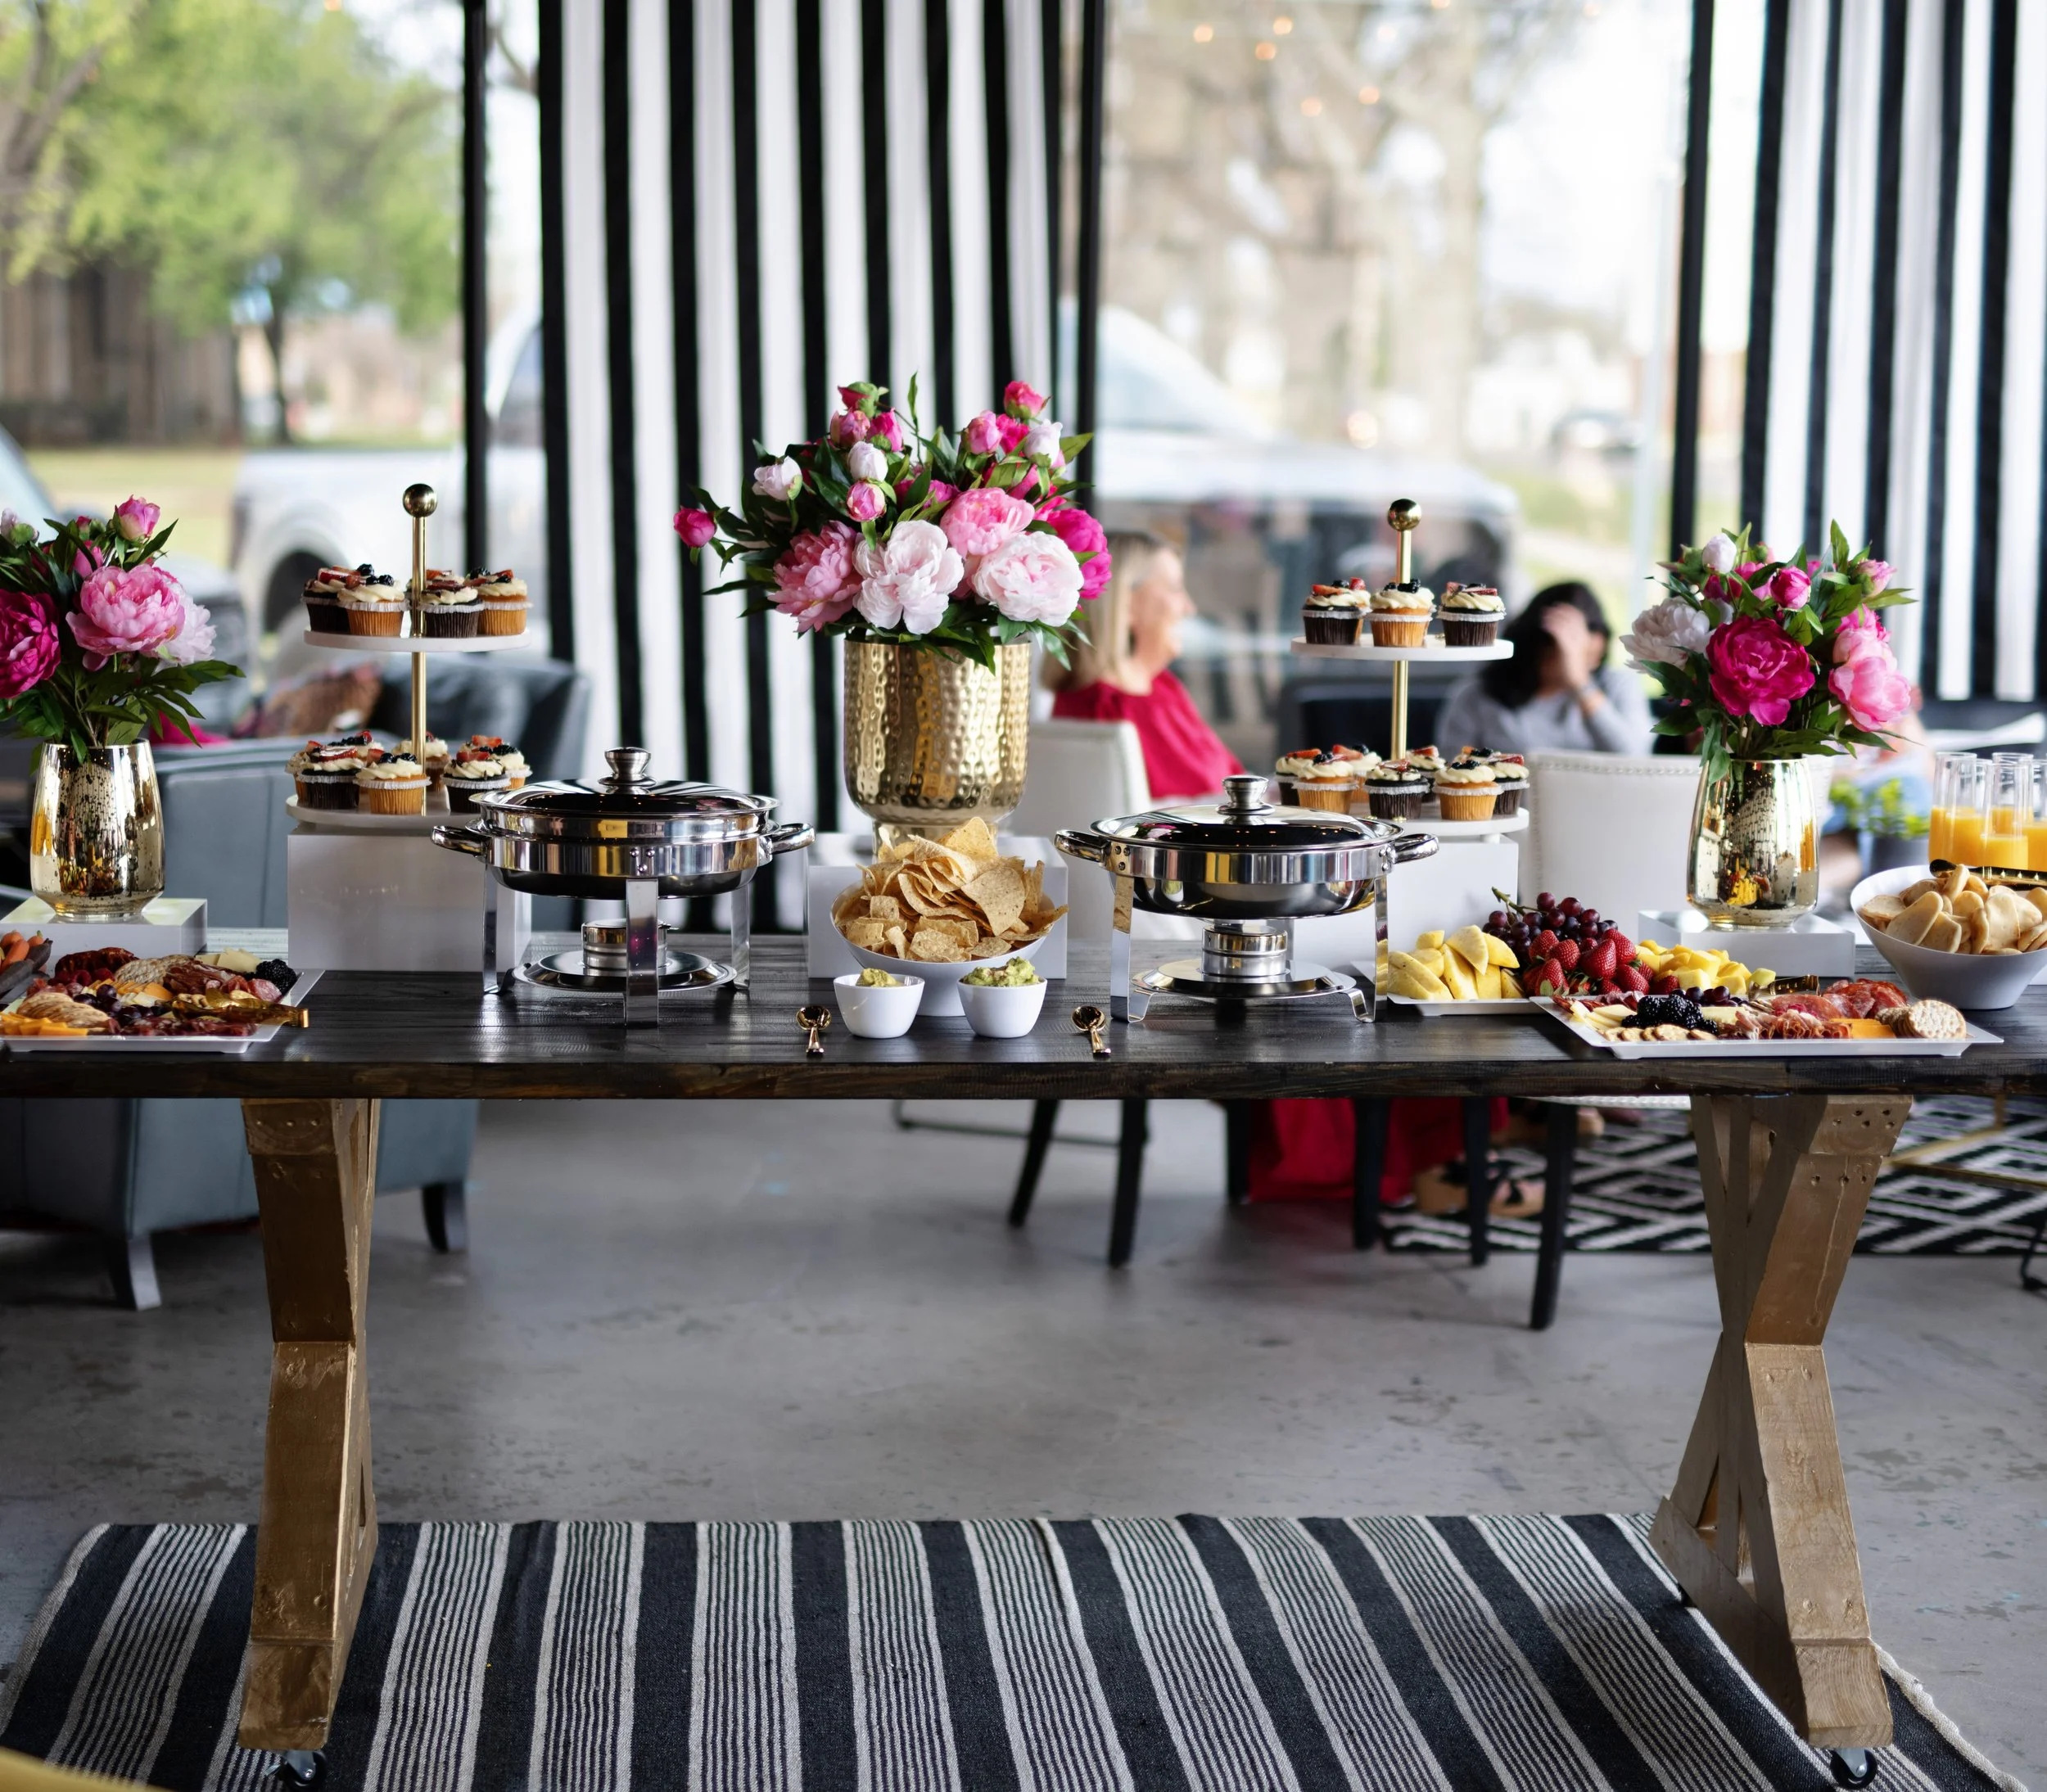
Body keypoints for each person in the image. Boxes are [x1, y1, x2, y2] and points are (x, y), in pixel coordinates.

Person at [1045, 531, 1243, 801]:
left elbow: (1233, 783)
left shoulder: (1164, 686)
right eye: (1174, 588)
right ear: (1124, 604)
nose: (1189, 608)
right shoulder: (1102, 709)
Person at [1434, 581, 1653, 757]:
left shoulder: (1617, 685)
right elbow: (1453, 771)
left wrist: (1580, 683)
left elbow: (1635, 756)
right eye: (1562, 647)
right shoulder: (1477, 696)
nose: (1570, 657)